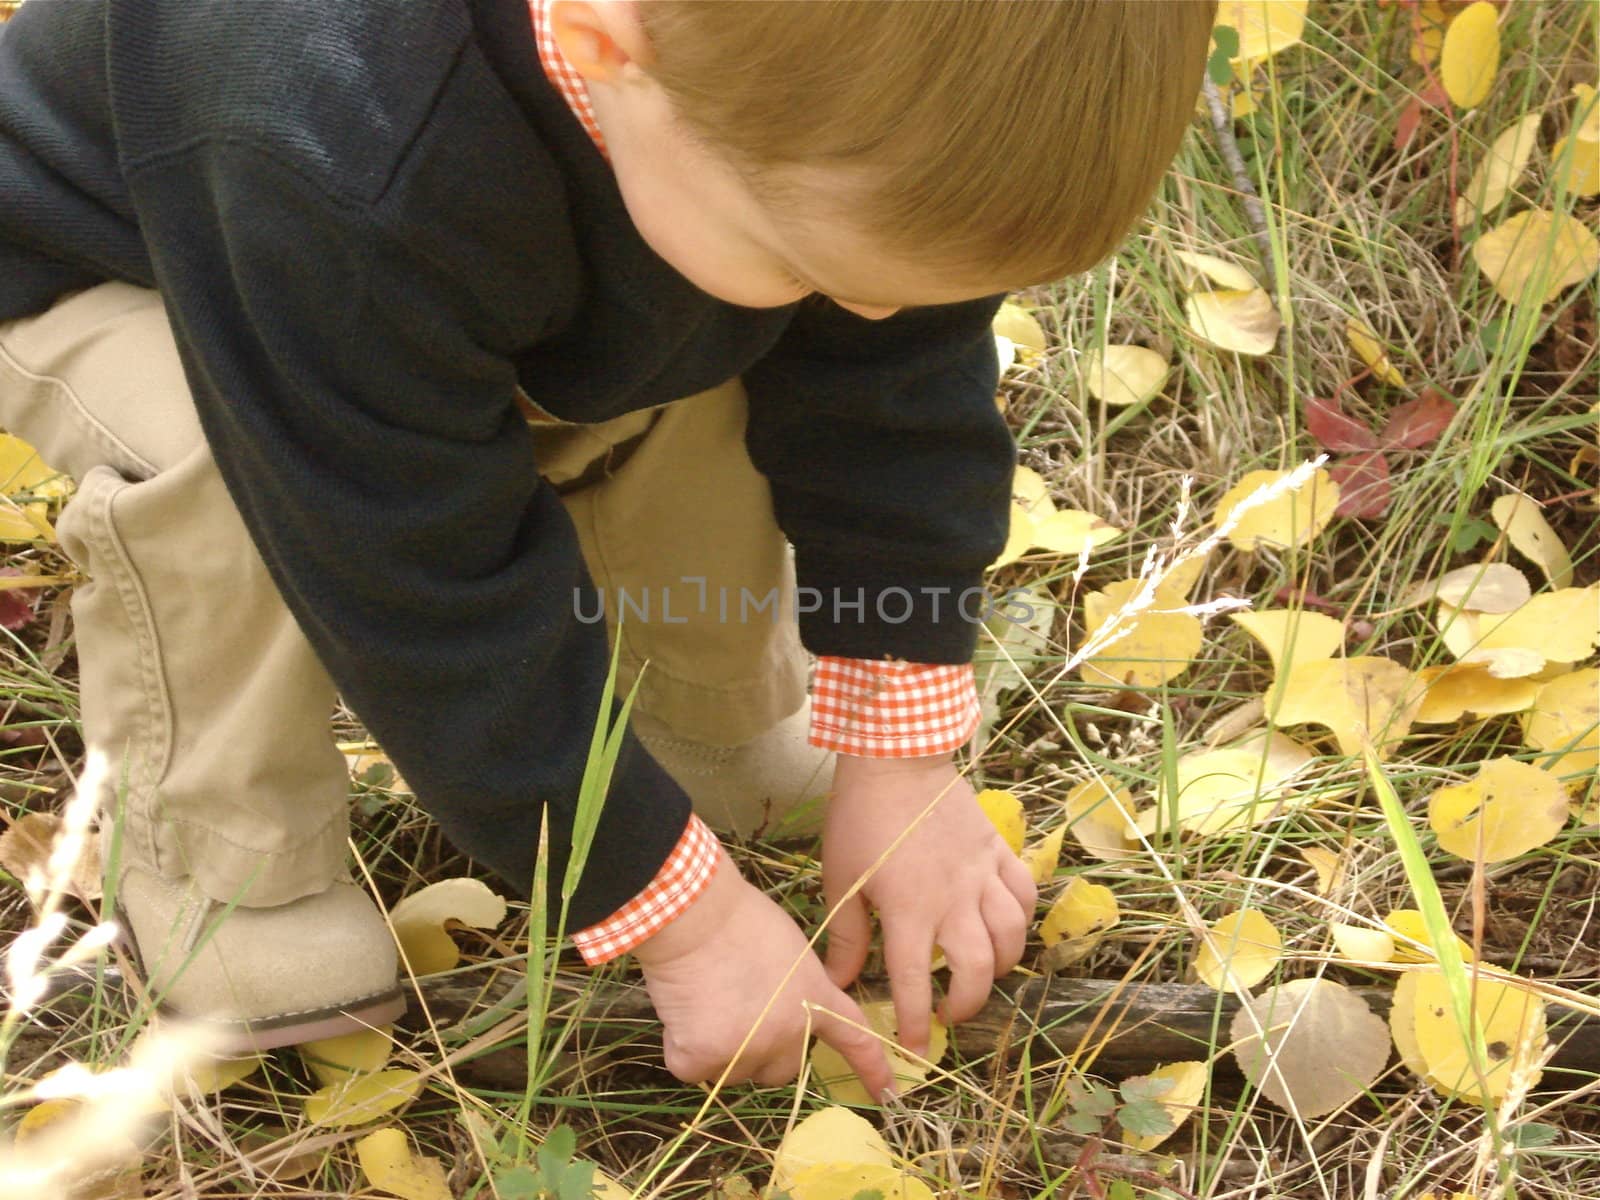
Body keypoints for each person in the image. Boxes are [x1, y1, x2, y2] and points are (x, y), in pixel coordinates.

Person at [0, 0, 1214, 1095]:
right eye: (815, 265)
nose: (876, 313)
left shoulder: (804, 102)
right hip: (115, 267)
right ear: (596, 48)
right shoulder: (324, 122)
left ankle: (707, 702)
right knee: (235, 476)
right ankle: (226, 859)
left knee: (754, 307)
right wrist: (666, 914)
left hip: (457, 276)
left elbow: (890, 385)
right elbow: (417, 575)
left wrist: (902, 749)